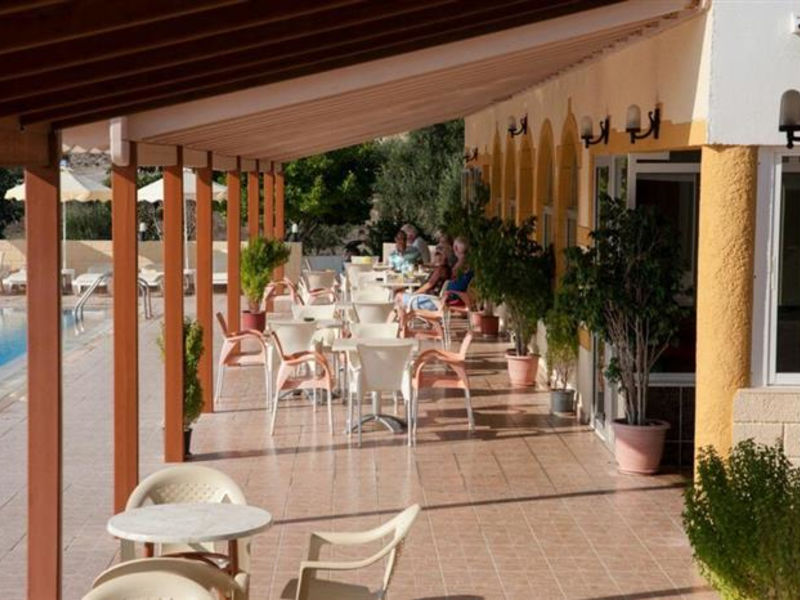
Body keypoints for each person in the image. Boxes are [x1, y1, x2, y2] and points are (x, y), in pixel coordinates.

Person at [444, 236, 473, 306]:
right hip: (453, 297)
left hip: (455, 300)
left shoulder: (461, 264)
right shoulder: (469, 262)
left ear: (455, 248)